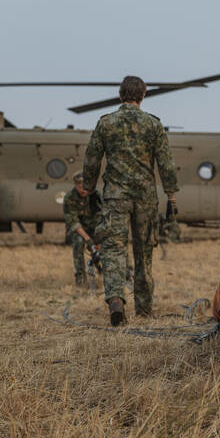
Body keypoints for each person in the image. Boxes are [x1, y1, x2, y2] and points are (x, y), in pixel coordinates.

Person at [83, 76, 178, 325]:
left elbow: (91, 160)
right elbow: (166, 164)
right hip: (145, 198)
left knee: (114, 250)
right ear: (143, 95)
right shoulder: (153, 125)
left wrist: (89, 190)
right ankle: (145, 309)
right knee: (144, 252)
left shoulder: (106, 123)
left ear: (120, 95)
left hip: (115, 197)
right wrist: (171, 195)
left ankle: (116, 300)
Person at [63, 171, 102, 286]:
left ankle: (103, 271)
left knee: (104, 246)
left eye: (84, 186)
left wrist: (99, 236)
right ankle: (80, 278)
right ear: (75, 185)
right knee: (79, 242)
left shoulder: (96, 196)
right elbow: (73, 223)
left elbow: (103, 215)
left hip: (95, 229)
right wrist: (88, 239)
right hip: (79, 231)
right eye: (79, 186)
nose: (82, 189)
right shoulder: (70, 198)